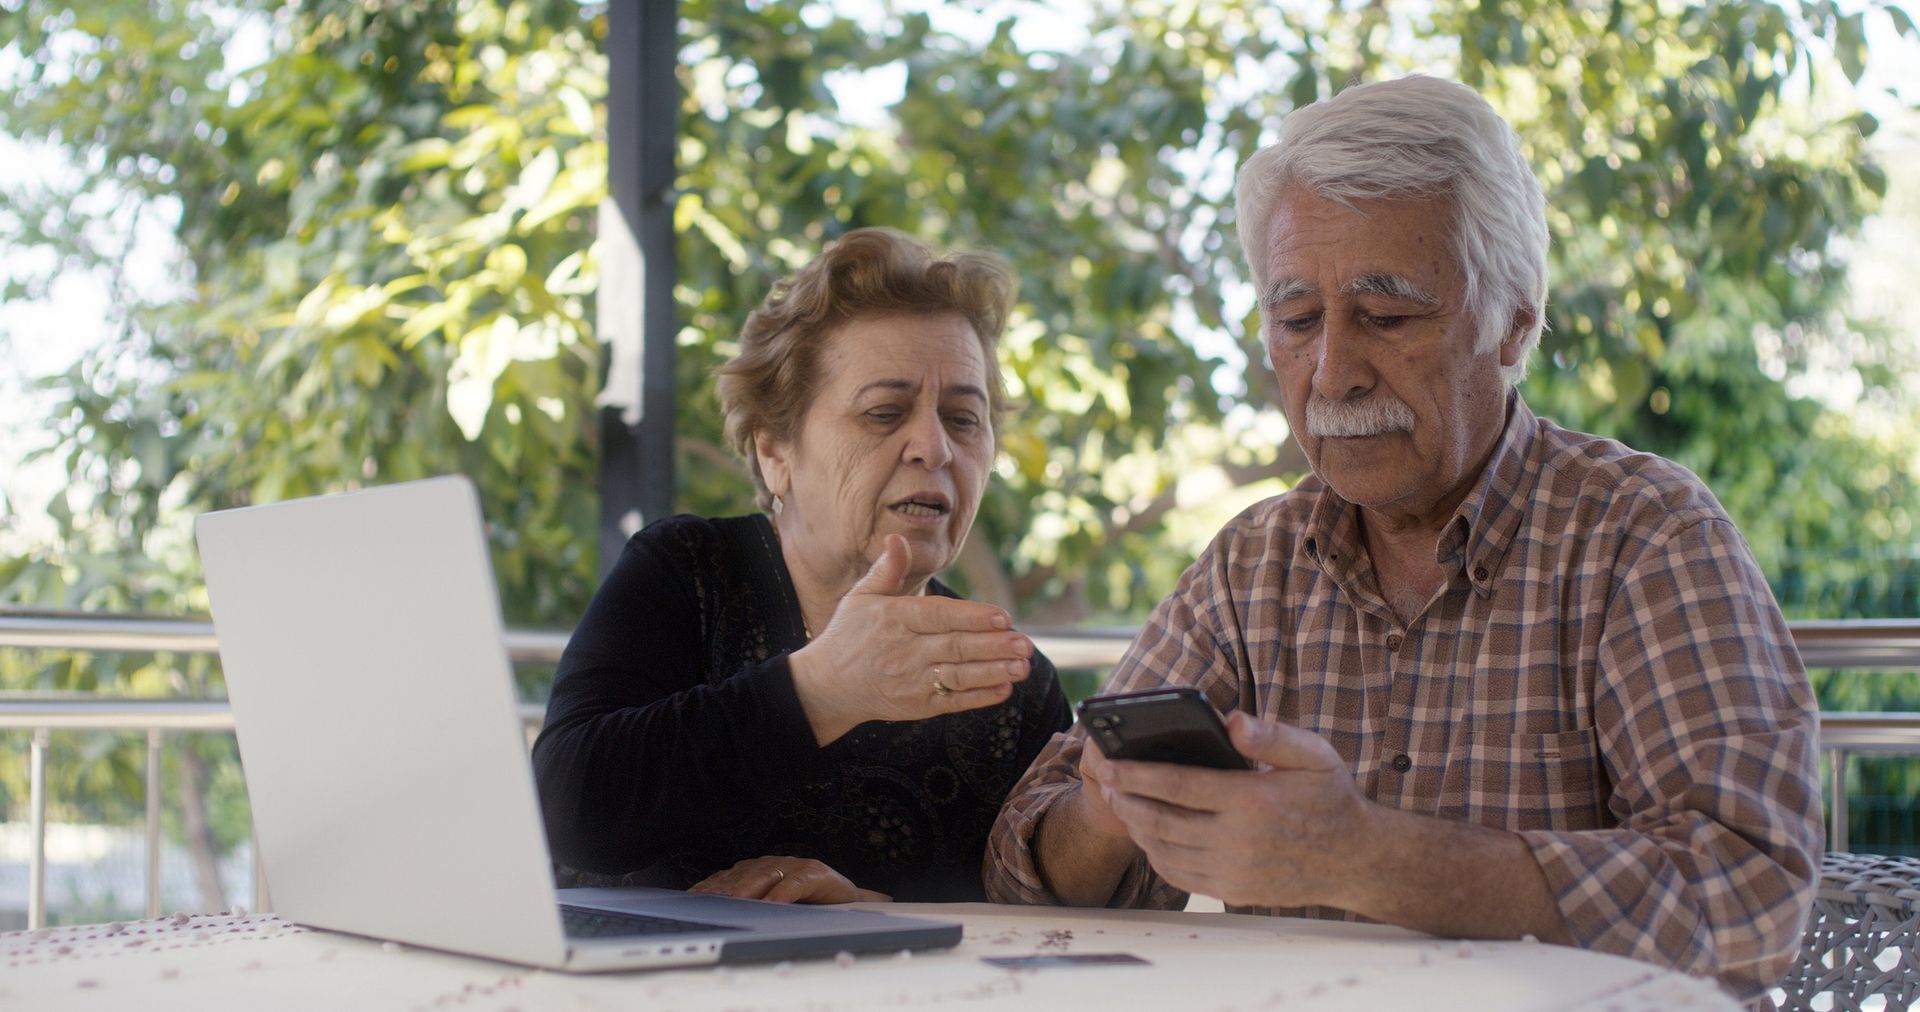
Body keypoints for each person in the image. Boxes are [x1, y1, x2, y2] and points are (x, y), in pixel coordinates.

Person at [985, 76, 1820, 1003]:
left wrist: (1367, 858)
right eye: (1297, 321)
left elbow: (1753, 895)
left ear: (1513, 323)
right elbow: (1023, 873)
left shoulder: (1644, 538)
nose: (1332, 371)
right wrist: (1115, 807)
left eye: (1386, 316)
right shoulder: (1254, 564)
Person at [535, 227, 1069, 904]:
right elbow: (567, 814)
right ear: (774, 452)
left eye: (964, 419)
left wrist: (879, 918)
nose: (932, 448)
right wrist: (823, 689)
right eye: (884, 412)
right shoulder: (687, 572)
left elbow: (1035, 931)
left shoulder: (1011, 682)